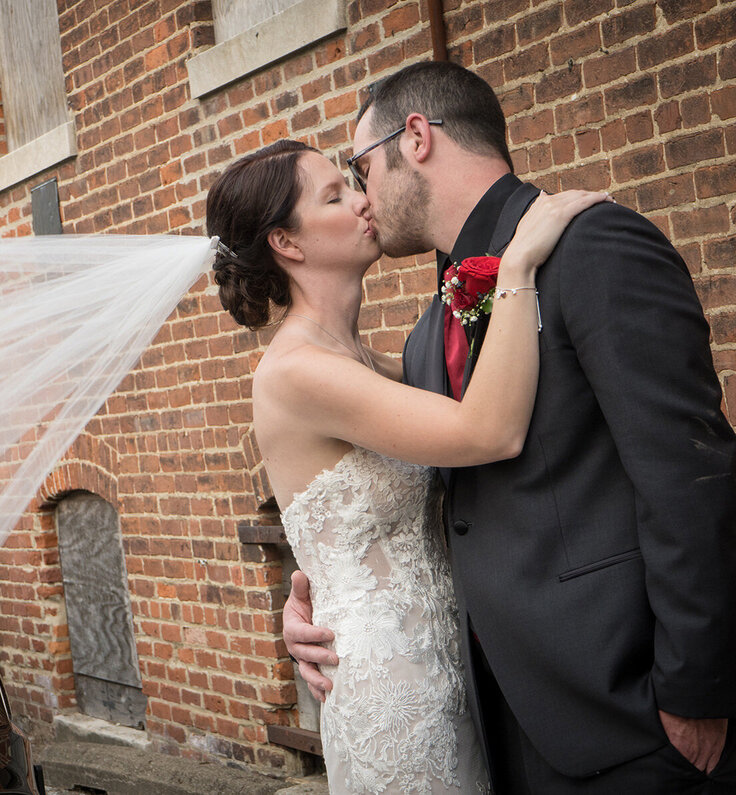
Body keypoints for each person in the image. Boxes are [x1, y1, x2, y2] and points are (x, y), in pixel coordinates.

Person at [281, 61, 736, 792]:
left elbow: (691, 474)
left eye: (359, 167)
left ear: (417, 138)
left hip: (636, 717)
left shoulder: (595, 248)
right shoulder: (427, 334)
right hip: (496, 727)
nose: (362, 195)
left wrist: (697, 688)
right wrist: (319, 592)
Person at [206, 135, 607, 793]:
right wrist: (518, 268)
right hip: (391, 693)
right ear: (288, 243)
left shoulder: (366, 362)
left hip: (451, 666)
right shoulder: (298, 371)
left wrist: (309, 590)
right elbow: (489, 429)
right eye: (335, 194)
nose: (364, 200)